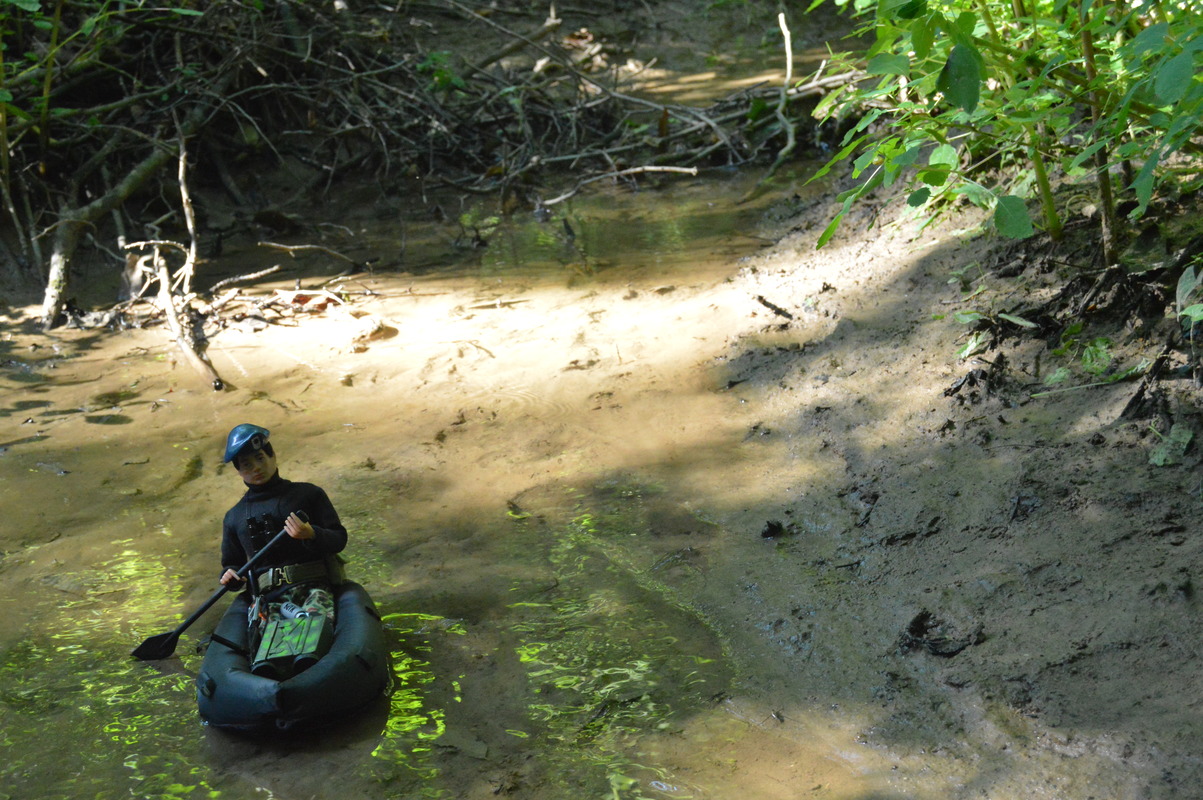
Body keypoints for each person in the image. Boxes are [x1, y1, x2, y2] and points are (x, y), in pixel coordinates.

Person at [219, 423, 347, 676]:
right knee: (267, 650)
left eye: (260, 457)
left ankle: (310, 668)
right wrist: (231, 577)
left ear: (272, 456)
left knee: (311, 628)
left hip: (313, 586)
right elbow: (232, 564)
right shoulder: (234, 517)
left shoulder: (307, 495)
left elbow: (339, 538)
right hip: (268, 597)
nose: (256, 467)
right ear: (239, 471)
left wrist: (312, 534)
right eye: (247, 464)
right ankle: (269, 676)